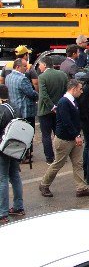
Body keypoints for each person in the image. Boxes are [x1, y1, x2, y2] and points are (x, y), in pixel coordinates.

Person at [39, 80, 89, 198]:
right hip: (64, 140)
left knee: (78, 164)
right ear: (74, 88)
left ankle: (81, 188)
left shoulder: (72, 101)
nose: (81, 92)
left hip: (73, 138)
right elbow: (67, 122)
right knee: (58, 164)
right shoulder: (64, 102)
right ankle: (44, 184)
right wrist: (76, 135)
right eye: (80, 89)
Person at [36, 57, 68, 164]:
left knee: (46, 135)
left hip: (45, 110)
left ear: (44, 65)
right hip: (59, 109)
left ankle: (50, 158)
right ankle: (62, 155)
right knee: (59, 134)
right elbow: (65, 92)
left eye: (40, 64)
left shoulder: (42, 77)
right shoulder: (62, 75)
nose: (39, 67)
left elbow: (43, 95)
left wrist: (52, 106)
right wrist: (58, 106)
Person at [0, 85, 23, 224]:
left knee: (2, 179)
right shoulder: (15, 107)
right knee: (14, 176)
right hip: (15, 147)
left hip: (2, 148)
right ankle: (19, 207)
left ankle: (2, 213)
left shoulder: (1, 109)